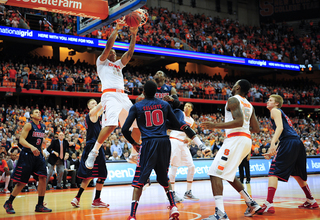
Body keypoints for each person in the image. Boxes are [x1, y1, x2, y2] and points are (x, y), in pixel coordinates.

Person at [201, 79, 261, 219]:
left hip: (235, 140)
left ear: (238, 87)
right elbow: (256, 128)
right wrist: (244, 130)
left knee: (215, 173)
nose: (232, 86)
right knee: (228, 174)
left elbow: (239, 121)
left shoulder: (233, 99)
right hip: (246, 140)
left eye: (234, 84)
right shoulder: (250, 105)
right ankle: (251, 203)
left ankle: (220, 214)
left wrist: (215, 125)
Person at [122, 81, 180, 220]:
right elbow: (176, 124)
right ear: (156, 92)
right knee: (163, 177)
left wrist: (134, 143)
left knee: (139, 180)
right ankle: (173, 206)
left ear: (143, 91)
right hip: (164, 142)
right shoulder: (165, 105)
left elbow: (124, 129)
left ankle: (132, 215)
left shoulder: (137, 106)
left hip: (148, 143)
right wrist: (163, 123)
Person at [85, 24, 140, 169]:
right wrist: (116, 30)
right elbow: (108, 46)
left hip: (123, 96)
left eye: (115, 53)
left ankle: (134, 155)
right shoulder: (101, 62)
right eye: (112, 52)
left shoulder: (118, 65)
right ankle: (94, 151)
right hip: (109, 95)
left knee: (138, 124)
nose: (114, 54)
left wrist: (133, 34)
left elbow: (129, 53)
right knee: (111, 125)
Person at [257, 95, 318, 214]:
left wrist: (272, 144)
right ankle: (311, 200)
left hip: (289, 142)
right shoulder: (281, 113)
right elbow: (284, 131)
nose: (267, 101)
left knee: (273, 172)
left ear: (276, 104)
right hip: (296, 142)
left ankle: (269, 203)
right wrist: (274, 149)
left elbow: (280, 128)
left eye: (270, 100)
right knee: (297, 174)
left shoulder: (274, 110)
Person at [3, 109, 51, 214]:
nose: (39, 113)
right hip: (27, 155)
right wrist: (32, 147)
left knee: (43, 177)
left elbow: (40, 142)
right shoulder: (29, 125)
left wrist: (41, 153)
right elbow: (21, 140)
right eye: (36, 112)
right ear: (32, 115)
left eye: (39, 112)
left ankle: (40, 205)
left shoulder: (43, 127)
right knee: (22, 182)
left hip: (38, 156)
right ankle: (9, 202)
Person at [71, 99, 109, 208]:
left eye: (96, 103)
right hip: (93, 146)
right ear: (88, 107)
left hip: (94, 145)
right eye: (93, 103)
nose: (95, 104)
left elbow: (103, 109)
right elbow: (100, 107)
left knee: (91, 176)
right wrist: (107, 95)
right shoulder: (91, 114)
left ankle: (77, 198)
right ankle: (96, 200)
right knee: (100, 174)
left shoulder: (97, 116)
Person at [168, 102, 199, 203]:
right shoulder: (179, 113)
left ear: (192, 109)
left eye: (189, 106)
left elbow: (192, 134)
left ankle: (188, 192)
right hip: (175, 140)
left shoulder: (192, 121)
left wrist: (189, 139)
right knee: (174, 167)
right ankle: (172, 193)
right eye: (185, 105)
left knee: (191, 166)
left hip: (183, 144)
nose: (186, 107)